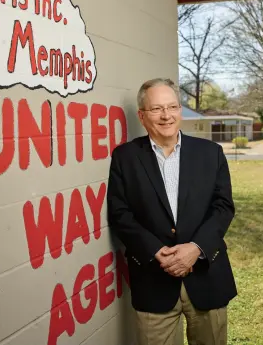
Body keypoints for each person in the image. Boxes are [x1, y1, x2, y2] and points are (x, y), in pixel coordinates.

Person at [107, 78, 237, 345]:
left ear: (180, 110)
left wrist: (195, 248)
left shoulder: (211, 153)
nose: (166, 116)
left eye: (172, 107)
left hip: (206, 276)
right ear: (142, 116)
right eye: (156, 109)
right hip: (153, 279)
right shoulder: (125, 157)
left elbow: (223, 207)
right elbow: (120, 214)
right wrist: (156, 251)